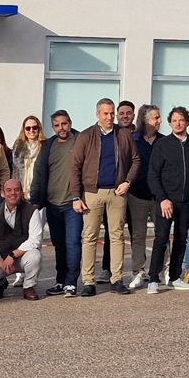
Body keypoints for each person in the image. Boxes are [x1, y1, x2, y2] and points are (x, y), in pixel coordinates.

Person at [69, 98, 137, 296]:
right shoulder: (86, 136)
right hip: (92, 193)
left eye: (112, 113)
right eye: (105, 113)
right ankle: (88, 282)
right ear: (97, 114)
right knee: (89, 237)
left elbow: (135, 160)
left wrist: (128, 182)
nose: (109, 117)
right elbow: (75, 167)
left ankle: (116, 279)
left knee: (117, 236)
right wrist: (76, 196)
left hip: (117, 192)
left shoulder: (123, 134)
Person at [148, 107, 189, 287]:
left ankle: (175, 277)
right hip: (166, 201)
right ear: (169, 123)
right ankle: (154, 279)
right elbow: (153, 174)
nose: (178, 123)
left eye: (181, 120)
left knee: (181, 239)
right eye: (174, 120)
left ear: (187, 122)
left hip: (187, 201)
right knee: (161, 238)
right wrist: (162, 198)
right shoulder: (162, 145)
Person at [30, 110, 81, 296]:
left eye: (65, 124)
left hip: (73, 203)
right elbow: (39, 174)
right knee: (59, 245)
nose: (62, 128)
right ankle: (60, 281)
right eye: (57, 125)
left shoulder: (80, 140)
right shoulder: (48, 145)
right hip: (52, 204)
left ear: (70, 123)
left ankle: (71, 283)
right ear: (53, 127)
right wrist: (35, 200)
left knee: (73, 243)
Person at [0, 178, 44, 300]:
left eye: (16, 190)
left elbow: (35, 240)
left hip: (22, 257)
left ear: (22, 193)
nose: (13, 193)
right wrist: (1, 263)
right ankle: (0, 284)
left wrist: (12, 255)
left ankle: (28, 286)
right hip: (1, 260)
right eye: (9, 190)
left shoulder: (32, 211)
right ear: (3, 193)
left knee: (35, 256)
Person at [124, 104, 165, 291]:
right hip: (137, 195)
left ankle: (165, 270)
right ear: (145, 119)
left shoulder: (164, 142)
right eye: (156, 118)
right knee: (138, 235)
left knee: (162, 234)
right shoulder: (133, 140)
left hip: (160, 196)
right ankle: (138, 271)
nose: (159, 121)